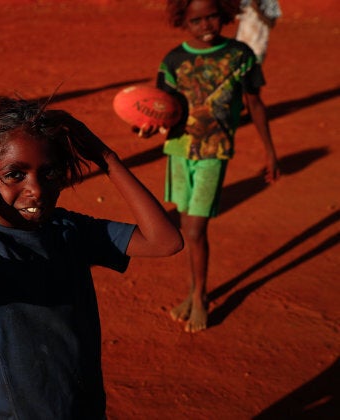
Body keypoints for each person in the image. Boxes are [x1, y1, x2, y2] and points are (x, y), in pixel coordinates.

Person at [0, 95, 183, 418]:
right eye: (15, 174)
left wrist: (106, 157)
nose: (36, 189)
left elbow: (165, 241)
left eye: (49, 173)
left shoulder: (67, 229)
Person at [137, 0, 280, 334]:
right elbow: (162, 109)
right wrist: (145, 126)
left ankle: (200, 297)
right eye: (196, 20)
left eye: (212, 16)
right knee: (188, 228)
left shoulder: (240, 55)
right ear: (183, 21)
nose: (206, 25)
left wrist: (271, 152)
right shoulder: (173, 59)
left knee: (196, 230)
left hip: (214, 152)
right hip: (178, 150)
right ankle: (191, 291)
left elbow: (255, 104)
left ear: (225, 14)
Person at [236, 0, 281, 64]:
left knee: (253, 72)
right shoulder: (245, 2)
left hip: (257, 49)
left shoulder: (271, 2)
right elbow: (241, 23)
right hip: (241, 48)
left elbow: (271, 24)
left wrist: (257, 9)